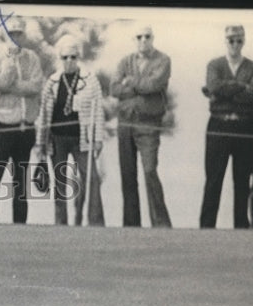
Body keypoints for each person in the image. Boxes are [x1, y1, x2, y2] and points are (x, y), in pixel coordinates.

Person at [198, 25, 253, 230]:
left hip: (244, 127)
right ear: (225, 41)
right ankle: (206, 227)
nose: (235, 44)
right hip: (218, 124)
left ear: (243, 42)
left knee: (242, 179)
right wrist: (240, 88)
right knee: (213, 178)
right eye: (231, 40)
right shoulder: (214, 64)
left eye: (239, 40)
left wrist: (225, 92)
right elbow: (213, 86)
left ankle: (240, 227)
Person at [0, 15, 43, 225]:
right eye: (11, 34)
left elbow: (35, 87)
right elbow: (0, 82)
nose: (15, 38)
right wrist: (9, 65)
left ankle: (20, 229)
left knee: (20, 183)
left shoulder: (32, 57)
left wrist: (12, 87)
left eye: (19, 34)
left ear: (24, 35)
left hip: (24, 128)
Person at [35, 35, 105, 227]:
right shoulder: (52, 81)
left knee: (92, 180)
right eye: (65, 57)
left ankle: (96, 223)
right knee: (60, 183)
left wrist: (98, 139)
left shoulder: (90, 80)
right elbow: (44, 113)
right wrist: (40, 142)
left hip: (82, 139)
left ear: (78, 57)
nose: (69, 61)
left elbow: (98, 110)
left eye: (73, 57)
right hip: (57, 139)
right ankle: (61, 224)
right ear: (60, 58)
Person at [109, 25, 172, 227]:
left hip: (148, 124)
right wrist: (139, 87)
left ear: (153, 38)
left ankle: (161, 224)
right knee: (128, 175)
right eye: (139, 37)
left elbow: (155, 85)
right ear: (134, 39)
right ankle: (131, 225)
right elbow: (114, 88)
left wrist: (131, 82)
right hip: (125, 122)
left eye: (147, 36)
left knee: (150, 170)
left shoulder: (163, 60)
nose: (143, 40)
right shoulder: (124, 61)